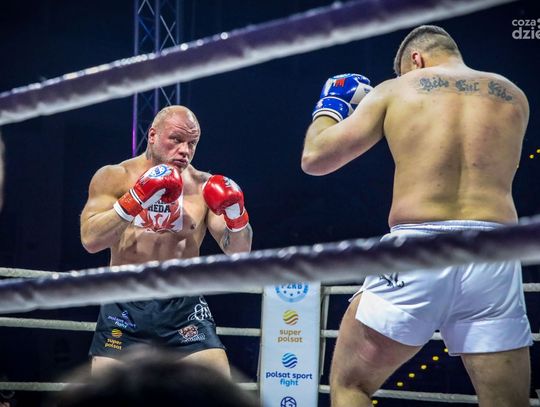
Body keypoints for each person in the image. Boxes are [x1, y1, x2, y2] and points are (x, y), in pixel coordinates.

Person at [302, 25, 532, 407]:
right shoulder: (512, 95)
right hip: (495, 254)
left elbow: (316, 158)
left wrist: (331, 105)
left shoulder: (395, 89)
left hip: (419, 246)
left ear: (416, 59)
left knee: (350, 385)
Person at [80, 105, 252, 377]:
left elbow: (239, 252)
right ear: (152, 135)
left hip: (184, 307)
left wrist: (237, 214)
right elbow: (91, 240)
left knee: (218, 388)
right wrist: (135, 199)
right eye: (176, 139)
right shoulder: (115, 176)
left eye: (192, 143)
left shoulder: (204, 186)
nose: (184, 150)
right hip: (125, 302)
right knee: (108, 394)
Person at [56, 345, 259, 407]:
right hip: (126, 292)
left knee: (216, 378)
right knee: (107, 390)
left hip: (183, 296)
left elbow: (237, 251)